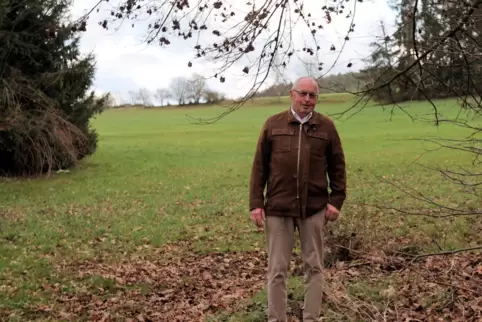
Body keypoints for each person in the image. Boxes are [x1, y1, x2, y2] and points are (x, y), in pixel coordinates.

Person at [249, 76, 347, 322]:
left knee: (314, 267)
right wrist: (255, 204)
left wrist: (336, 200)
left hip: (313, 208)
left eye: (312, 96)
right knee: (277, 270)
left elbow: (338, 166)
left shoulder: (326, 127)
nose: (307, 100)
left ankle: (311, 318)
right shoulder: (273, 124)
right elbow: (259, 167)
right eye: (303, 94)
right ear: (292, 95)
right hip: (278, 209)